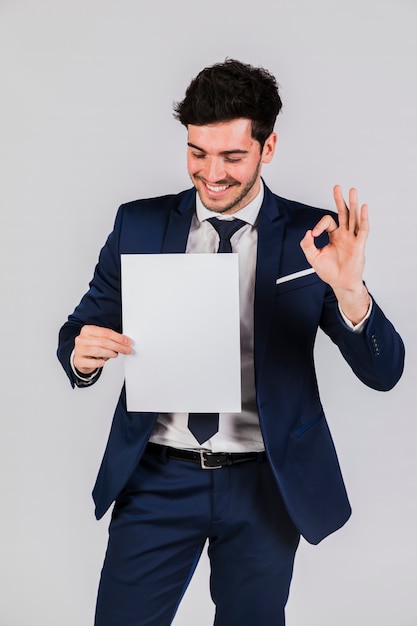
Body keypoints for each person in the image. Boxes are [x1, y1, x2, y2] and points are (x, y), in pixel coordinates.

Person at [57, 59, 405, 626]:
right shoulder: (138, 225)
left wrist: (351, 293)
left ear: (267, 148)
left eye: (232, 156)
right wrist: (80, 355)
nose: (211, 174)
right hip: (157, 477)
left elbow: (385, 371)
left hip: (264, 485)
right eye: (198, 153)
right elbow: (80, 326)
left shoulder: (312, 237)